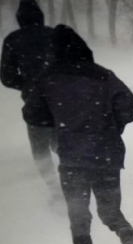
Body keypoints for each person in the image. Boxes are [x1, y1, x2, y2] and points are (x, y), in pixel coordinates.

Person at [22, 25, 133, 244]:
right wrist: (110, 127)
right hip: (106, 157)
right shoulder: (103, 76)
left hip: (72, 160)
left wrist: (57, 122)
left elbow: (33, 115)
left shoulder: (48, 79)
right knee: (110, 212)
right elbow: (129, 106)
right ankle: (131, 240)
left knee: (79, 219)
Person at [1, 0, 59, 200]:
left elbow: (7, 77)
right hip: (61, 101)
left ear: (19, 19)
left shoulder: (12, 40)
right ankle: (76, 184)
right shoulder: (54, 35)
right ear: (40, 16)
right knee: (62, 144)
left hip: (36, 105)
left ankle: (55, 190)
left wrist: (26, 85)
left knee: (40, 150)